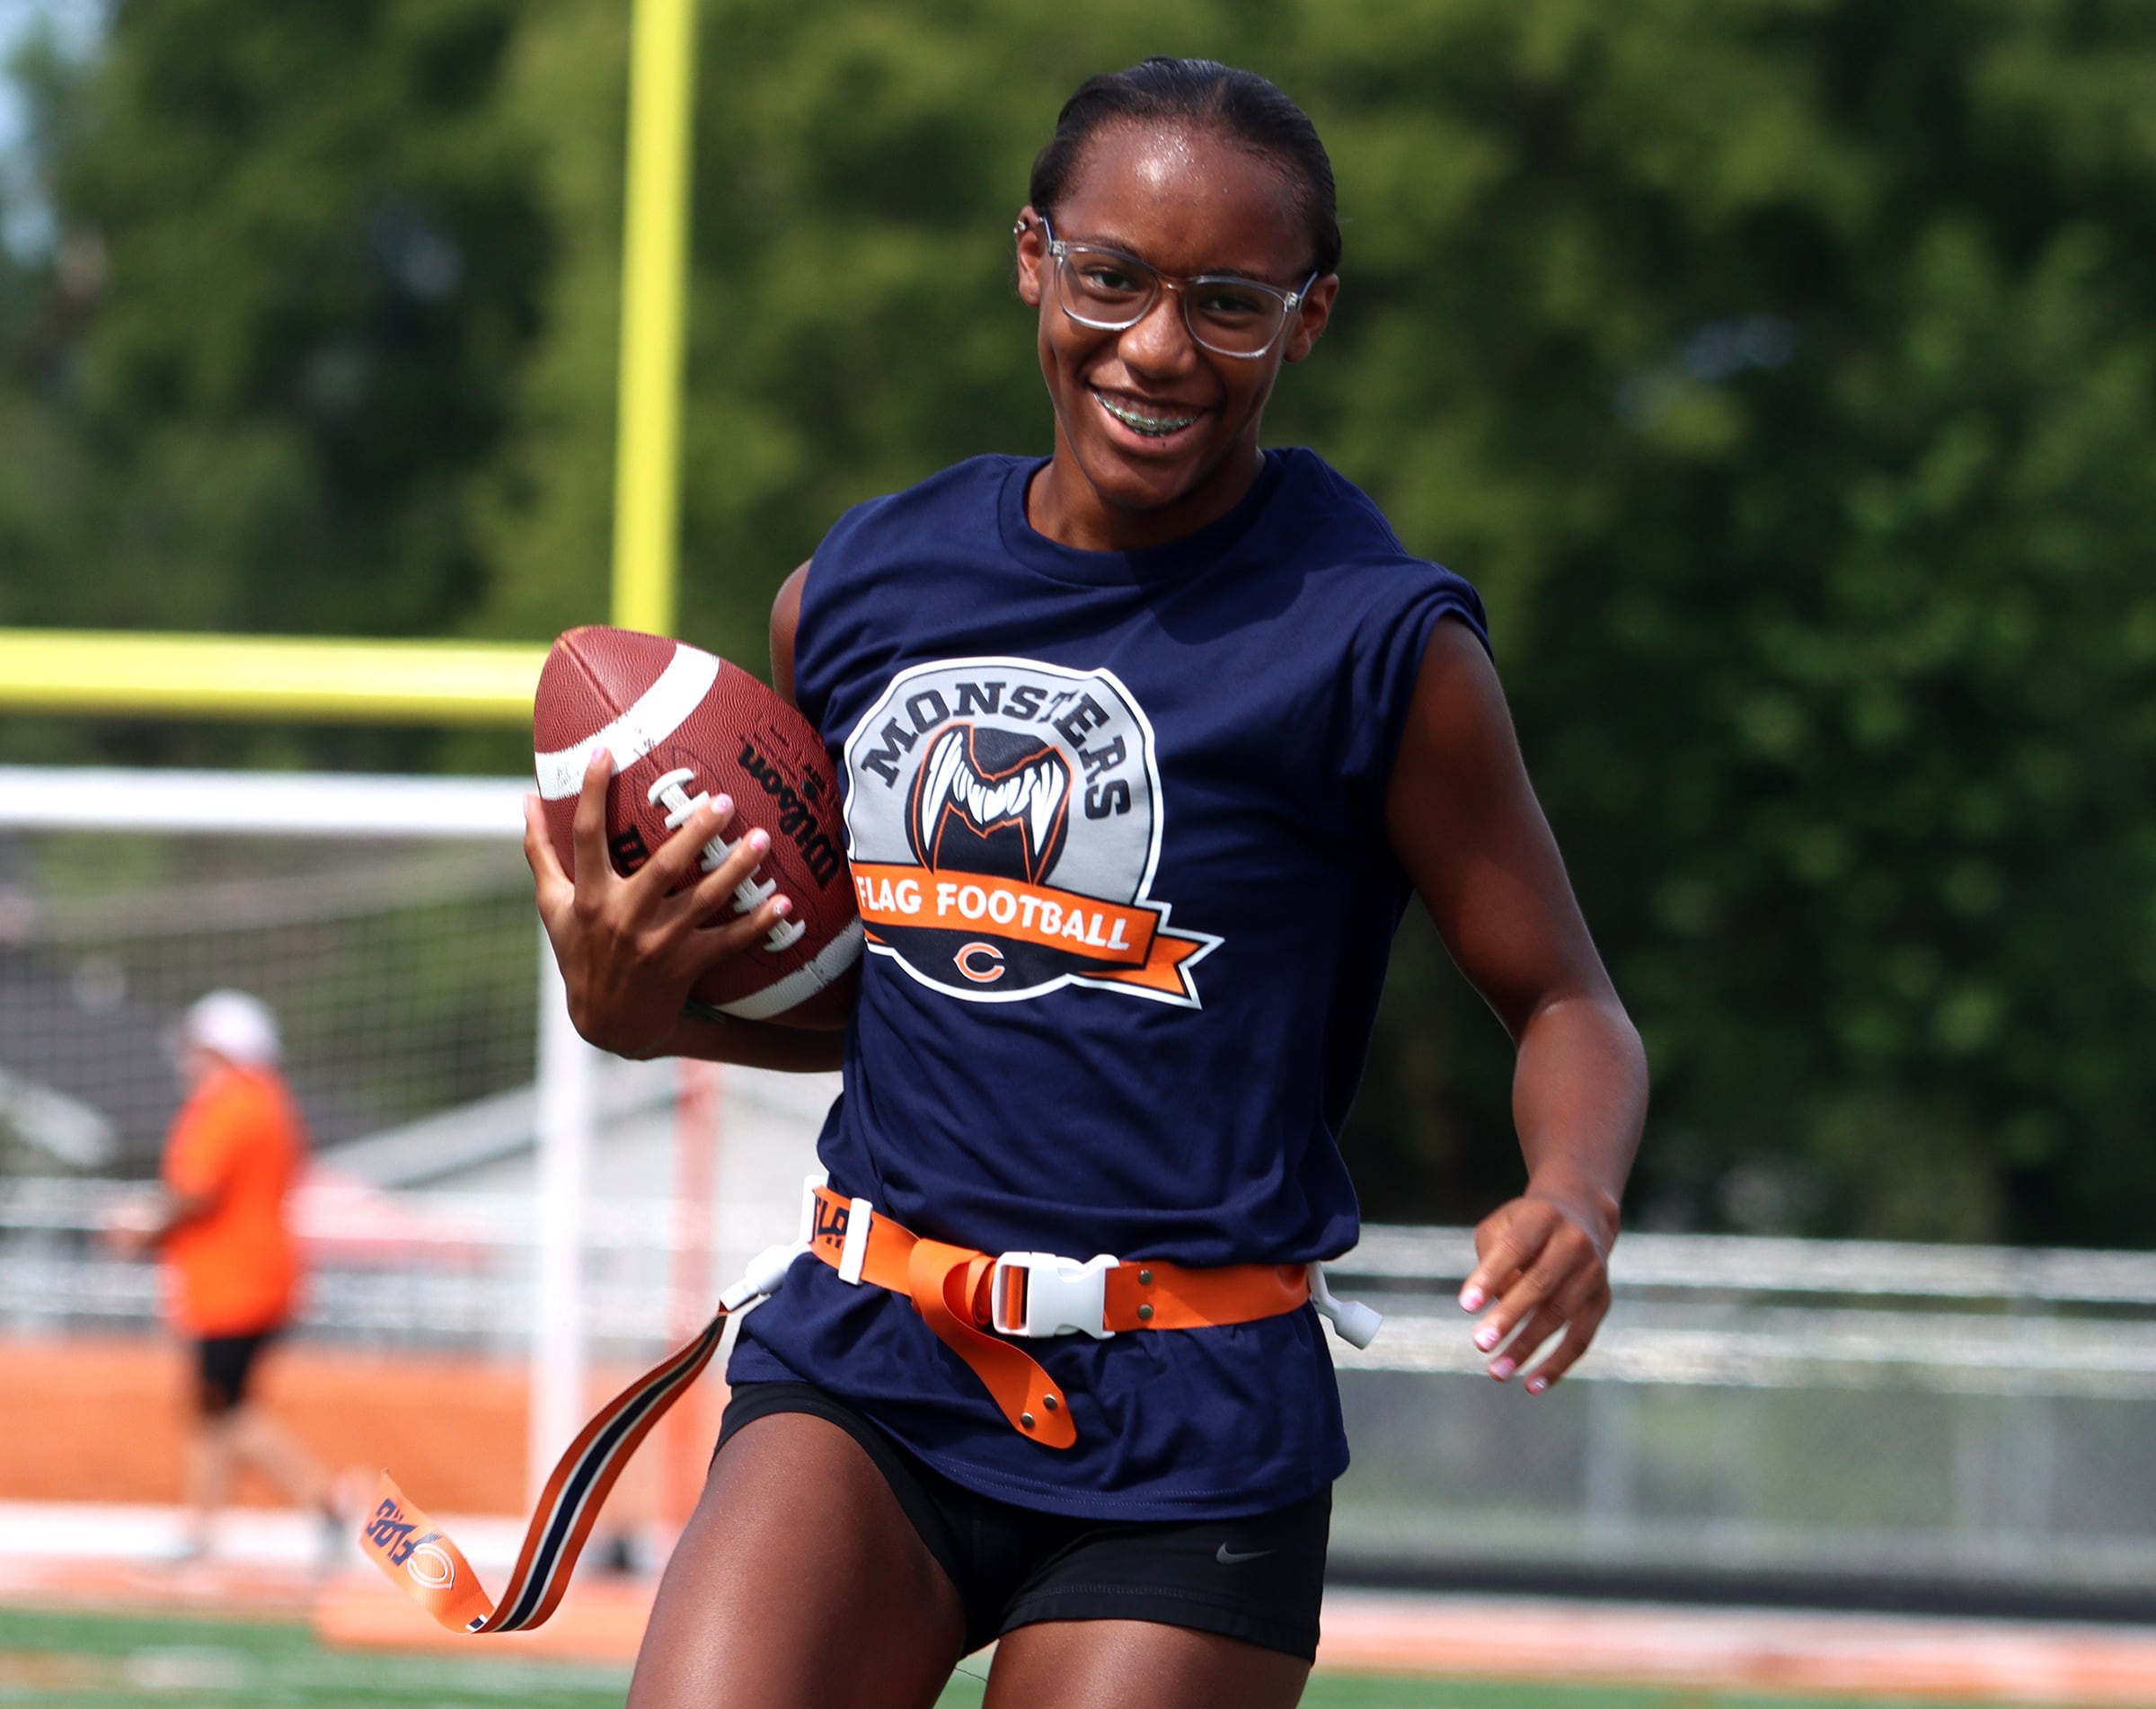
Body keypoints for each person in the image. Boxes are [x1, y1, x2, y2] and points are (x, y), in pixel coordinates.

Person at [526, 57, 1648, 1709]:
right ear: (1034, 257)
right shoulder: (858, 588)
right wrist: (647, 1015)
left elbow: (1569, 1001)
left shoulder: (1380, 644)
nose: (1159, 348)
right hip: (873, 1352)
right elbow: (907, 1001)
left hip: (1193, 1413)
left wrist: (1576, 1195)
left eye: (1232, 304)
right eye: (1113, 277)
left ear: (1311, 318)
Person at [115, 989, 342, 1563]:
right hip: (251, 1277)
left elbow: (193, 1192)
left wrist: (140, 1234)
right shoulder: (268, 1101)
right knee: (214, 1409)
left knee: (225, 1411)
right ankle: (200, 1530)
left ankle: (326, 1499)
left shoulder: (234, 1103)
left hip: (235, 1284)